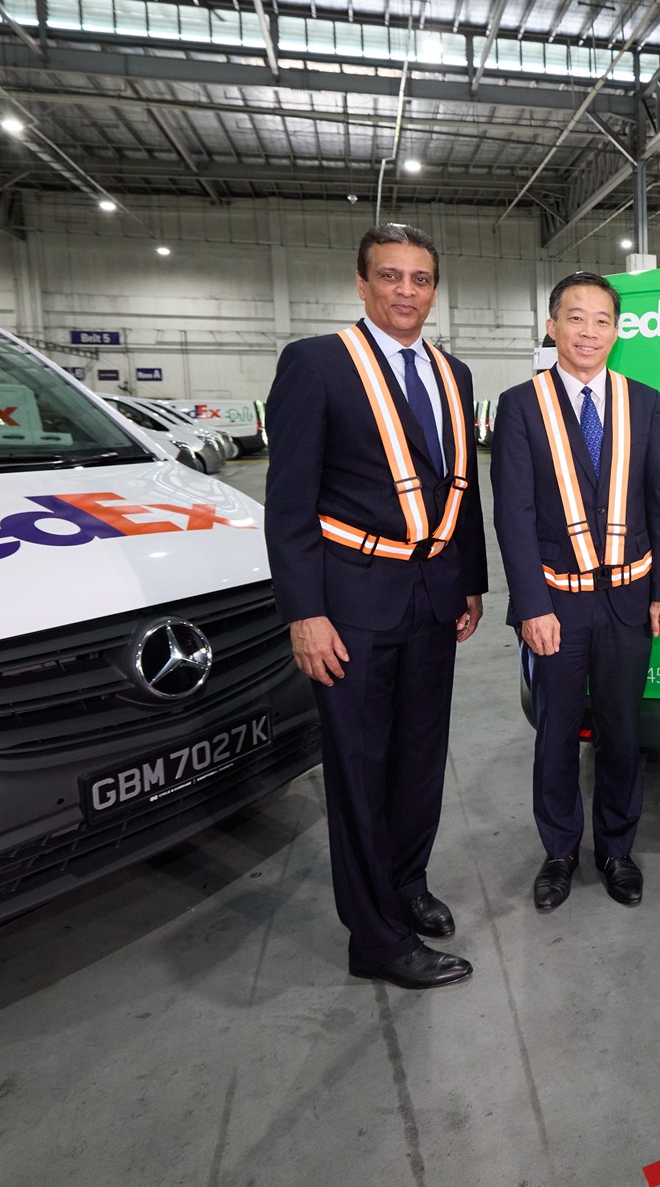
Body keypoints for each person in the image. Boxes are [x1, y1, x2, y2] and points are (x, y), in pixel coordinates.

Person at [264, 223, 486, 991]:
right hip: (350, 601)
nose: (405, 290)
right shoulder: (317, 363)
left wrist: (469, 580)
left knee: (421, 757)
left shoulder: (453, 373)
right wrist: (304, 612)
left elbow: (461, 487)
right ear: (362, 284)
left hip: (433, 595)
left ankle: (406, 884)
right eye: (390, 275)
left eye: (420, 278)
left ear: (434, 289)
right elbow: (288, 502)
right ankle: (376, 938)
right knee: (361, 768)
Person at [492, 272, 660, 912]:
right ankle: (559, 853)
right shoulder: (521, 405)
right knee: (555, 734)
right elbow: (513, 515)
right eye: (575, 318)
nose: (589, 332)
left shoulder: (643, 402)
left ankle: (617, 851)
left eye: (602, 320)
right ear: (552, 327)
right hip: (557, 604)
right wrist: (531, 606)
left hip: (629, 602)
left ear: (617, 331)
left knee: (622, 731)